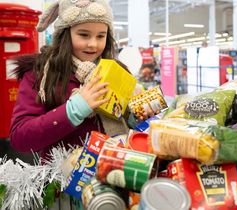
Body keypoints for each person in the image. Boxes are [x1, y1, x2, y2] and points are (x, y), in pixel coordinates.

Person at [9, 0, 145, 160]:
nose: (93, 44)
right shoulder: (42, 73)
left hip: (115, 174)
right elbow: (20, 138)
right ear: (65, 34)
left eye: (101, 36)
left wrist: (139, 114)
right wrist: (74, 109)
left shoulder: (117, 70)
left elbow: (136, 129)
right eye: (83, 34)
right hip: (62, 180)